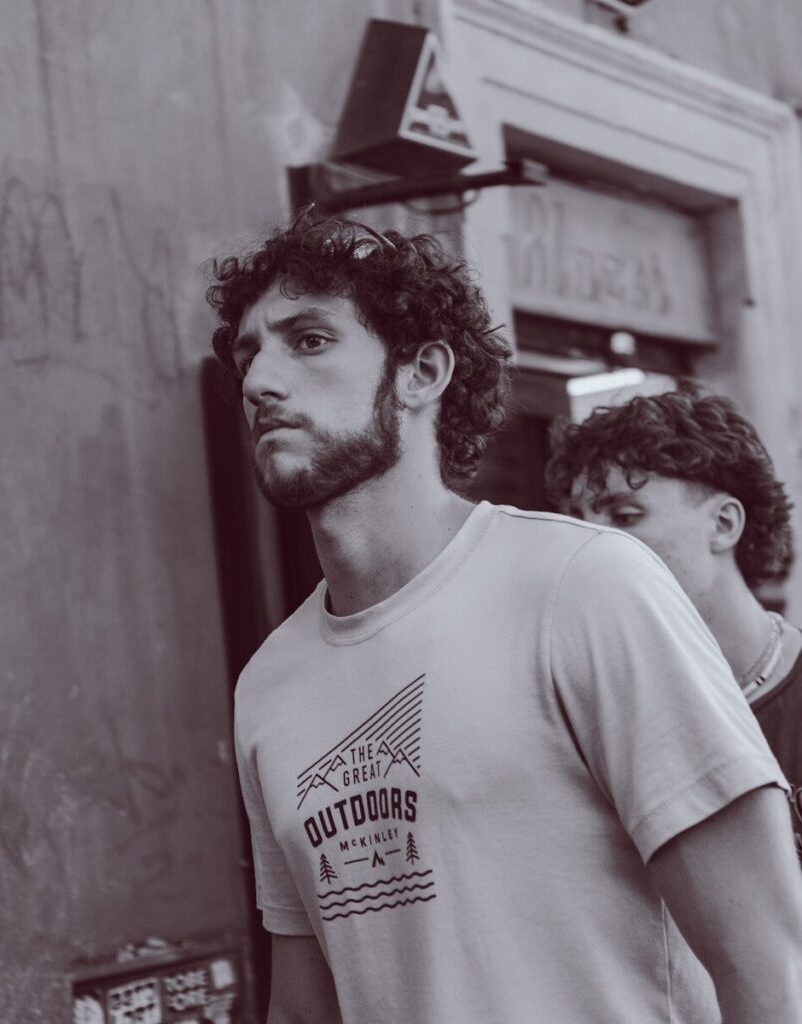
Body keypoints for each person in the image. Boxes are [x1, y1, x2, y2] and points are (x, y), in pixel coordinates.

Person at [206, 214, 802, 1024]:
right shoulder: (271, 684)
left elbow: (767, 961)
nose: (259, 381)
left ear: (421, 373)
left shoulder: (582, 587)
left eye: (308, 340)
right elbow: (306, 1008)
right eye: (248, 352)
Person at [545, 382, 802, 861]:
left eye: (625, 516)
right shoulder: (580, 709)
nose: (590, 545)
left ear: (723, 525)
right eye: (579, 522)